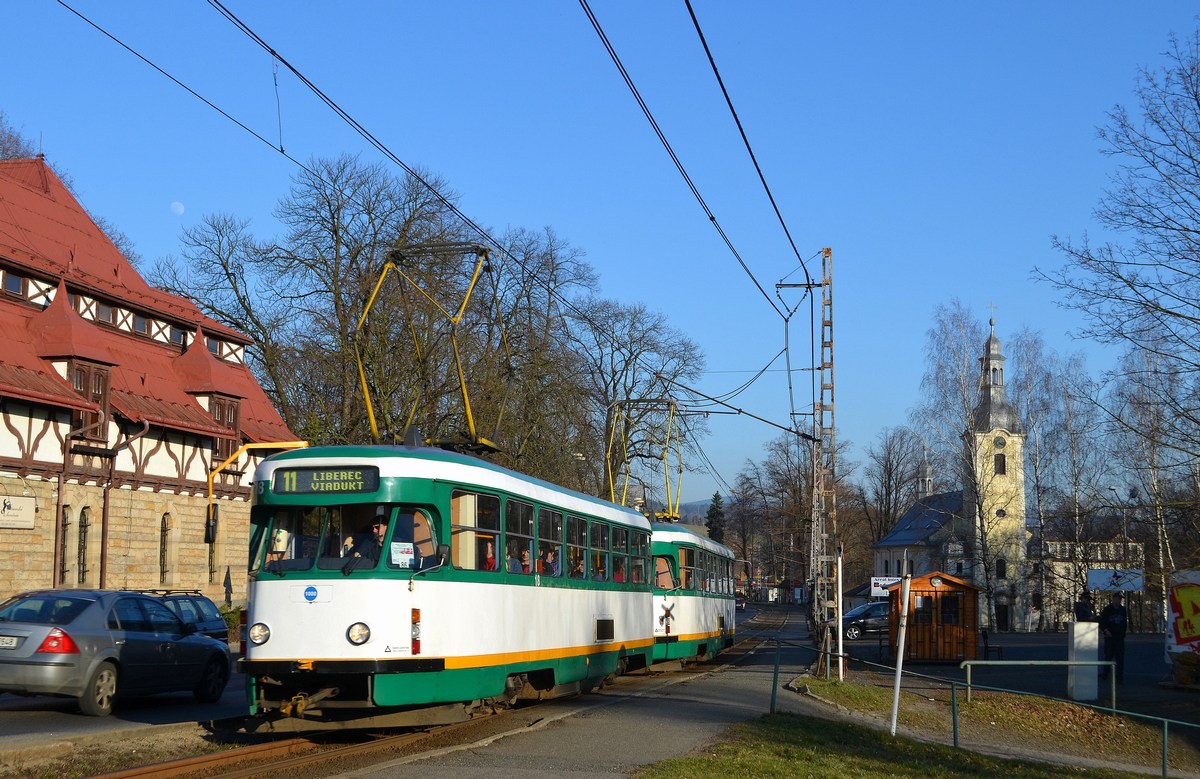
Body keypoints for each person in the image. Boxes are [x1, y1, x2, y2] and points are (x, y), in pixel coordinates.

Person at [1098, 592, 1128, 683]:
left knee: (1120, 658)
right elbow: (1102, 623)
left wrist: (1123, 633)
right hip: (1110, 637)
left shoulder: (1122, 610)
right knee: (1108, 657)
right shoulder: (1107, 609)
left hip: (1119, 638)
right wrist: (1106, 630)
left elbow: (1124, 623)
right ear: (1113, 599)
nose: (1119, 600)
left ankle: (1119, 678)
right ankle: (1105, 674)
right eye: (1118, 598)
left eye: (1120, 599)